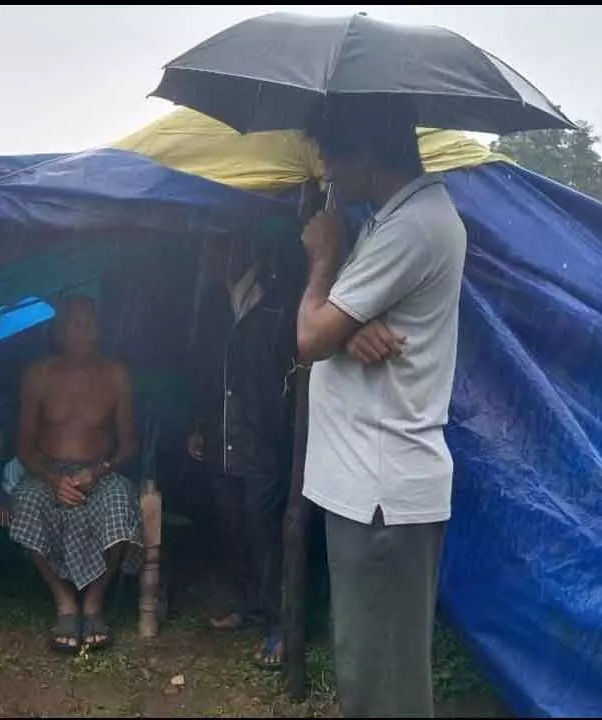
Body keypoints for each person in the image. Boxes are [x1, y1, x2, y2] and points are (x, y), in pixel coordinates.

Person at [296, 94, 467, 718]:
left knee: (385, 690)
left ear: (367, 149)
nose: (330, 175)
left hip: (381, 493)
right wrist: (348, 324)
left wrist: (322, 262)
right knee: (368, 673)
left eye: (333, 159)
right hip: (368, 490)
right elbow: (339, 325)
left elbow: (311, 336)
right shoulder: (390, 221)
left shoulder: (413, 226)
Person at [185, 235, 296, 669]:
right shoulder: (216, 305)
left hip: (263, 439)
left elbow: (292, 371)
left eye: (215, 249)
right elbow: (204, 373)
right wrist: (198, 425)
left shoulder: (278, 302)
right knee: (232, 525)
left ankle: (280, 626)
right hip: (219, 434)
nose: (208, 257)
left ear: (238, 252)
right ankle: (248, 604)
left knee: (264, 532)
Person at [11, 294, 143, 654]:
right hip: (48, 472)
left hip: (99, 472)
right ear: (59, 330)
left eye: (89, 324)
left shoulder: (116, 374)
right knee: (25, 501)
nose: (84, 332)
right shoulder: (38, 375)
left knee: (121, 500)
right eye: (75, 324)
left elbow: (129, 445)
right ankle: (65, 602)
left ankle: (94, 602)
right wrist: (53, 480)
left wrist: (98, 472)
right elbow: (24, 447)